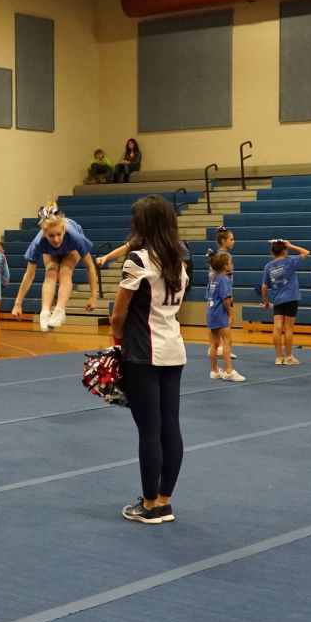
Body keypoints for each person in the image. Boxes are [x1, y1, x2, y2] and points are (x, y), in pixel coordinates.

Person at [113, 196, 187, 524]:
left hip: (143, 354)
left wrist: (117, 343)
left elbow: (118, 313)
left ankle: (148, 504)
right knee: (170, 426)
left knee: (149, 430)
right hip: (173, 348)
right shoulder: (180, 260)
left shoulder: (138, 259)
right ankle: (164, 501)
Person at [9, 203, 98, 332]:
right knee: (51, 271)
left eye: (58, 234)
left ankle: (60, 309)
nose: (56, 240)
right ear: (44, 234)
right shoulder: (38, 242)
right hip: (51, 252)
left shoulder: (75, 237)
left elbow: (90, 266)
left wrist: (93, 296)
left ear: (63, 230)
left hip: (71, 248)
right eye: (51, 236)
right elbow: (29, 274)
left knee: (65, 270)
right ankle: (45, 312)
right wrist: (17, 304)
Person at [260, 238, 309, 365]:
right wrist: (291, 245)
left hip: (277, 299)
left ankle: (278, 357)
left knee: (277, 327)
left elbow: (264, 286)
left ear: (272, 253)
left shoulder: (268, 267)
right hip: (291, 297)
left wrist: (265, 301)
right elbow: (306, 252)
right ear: (284, 251)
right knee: (288, 328)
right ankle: (288, 357)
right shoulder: (289, 261)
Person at [205, 252, 243, 381]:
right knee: (227, 340)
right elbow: (226, 300)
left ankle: (215, 370)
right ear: (225, 266)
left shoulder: (213, 278)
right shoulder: (224, 279)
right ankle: (228, 371)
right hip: (220, 312)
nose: (231, 265)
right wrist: (230, 313)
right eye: (230, 263)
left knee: (214, 343)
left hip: (211, 312)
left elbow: (208, 296)